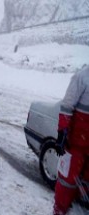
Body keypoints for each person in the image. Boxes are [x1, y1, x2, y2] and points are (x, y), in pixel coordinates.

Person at [53, 65, 89, 215]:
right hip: (76, 144)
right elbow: (67, 105)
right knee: (67, 182)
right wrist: (62, 132)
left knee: (86, 183)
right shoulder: (82, 77)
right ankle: (59, 211)